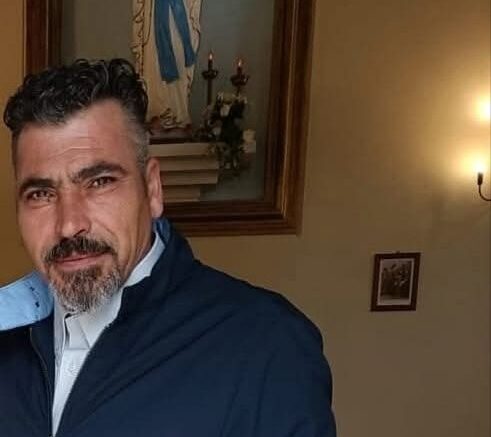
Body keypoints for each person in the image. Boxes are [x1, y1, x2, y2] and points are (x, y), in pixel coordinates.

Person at [0, 58, 336, 437]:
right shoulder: (8, 335)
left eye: (99, 182)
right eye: (41, 194)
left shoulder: (267, 345)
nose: (69, 224)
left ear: (153, 188)